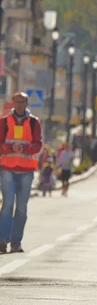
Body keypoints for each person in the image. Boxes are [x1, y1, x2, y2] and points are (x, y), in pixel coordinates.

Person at [0, 92, 43, 253]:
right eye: (17, 101)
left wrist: (25, 148)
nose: (19, 104)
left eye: (22, 102)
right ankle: (2, 241)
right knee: (7, 205)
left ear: (26, 103)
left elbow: (38, 144)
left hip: (26, 171)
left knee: (22, 208)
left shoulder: (34, 123)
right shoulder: (4, 122)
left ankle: (16, 243)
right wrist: (10, 148)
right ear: (13, 103)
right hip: (8, 169)